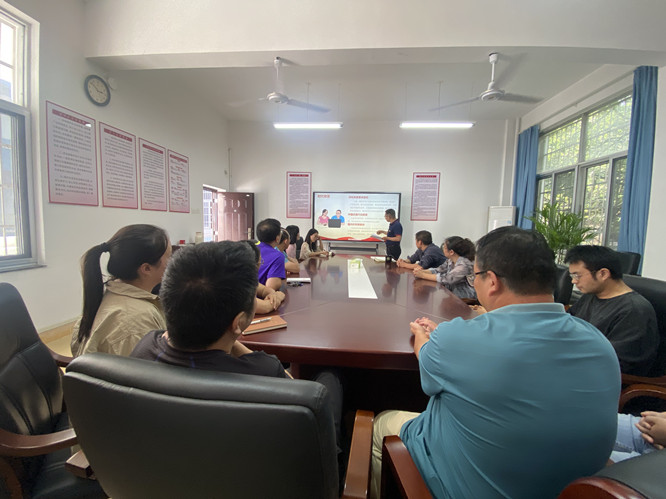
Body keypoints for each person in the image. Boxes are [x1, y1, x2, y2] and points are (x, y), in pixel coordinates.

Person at [370, 226, 621, 499]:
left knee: (380, 423)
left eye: (475, 276)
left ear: (492, 281)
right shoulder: (599, 343)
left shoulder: (458, 339)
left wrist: (422, 334)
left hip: (461, 488)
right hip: (575, 491)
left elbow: (427, 354)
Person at [131, 241, 344, 482]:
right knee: (330, 377)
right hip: (264, 478)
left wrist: (230, 335)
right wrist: (234, 335)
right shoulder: (262, 372)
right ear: (239, 322)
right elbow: (305, 400)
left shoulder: (145, 347)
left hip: (165, 477)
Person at [71, 224, 171, 357]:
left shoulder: (112, 293)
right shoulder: (136, 321)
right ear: (146, 269)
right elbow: (142, 368)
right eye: (169, 257)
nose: (173, 261)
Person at [565, 245, 658, 376]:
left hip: (606, 377)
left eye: (577, 275)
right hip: (579, 364)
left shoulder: (633, 310)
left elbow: (616, 361)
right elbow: (567, 324)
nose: (573, 281)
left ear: (603, 274)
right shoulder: (591, 295)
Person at [243, 240, 285, 314]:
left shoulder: (246, 279)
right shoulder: (234, 287)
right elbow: (265, 307)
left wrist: (272, 294)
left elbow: (263, 290)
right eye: (261, 262)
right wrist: (279, 296)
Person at [256, 218, 286, 291]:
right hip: (261, 296)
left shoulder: (249, 249)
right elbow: (271, 286)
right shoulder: (278, 256)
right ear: (277, 238)